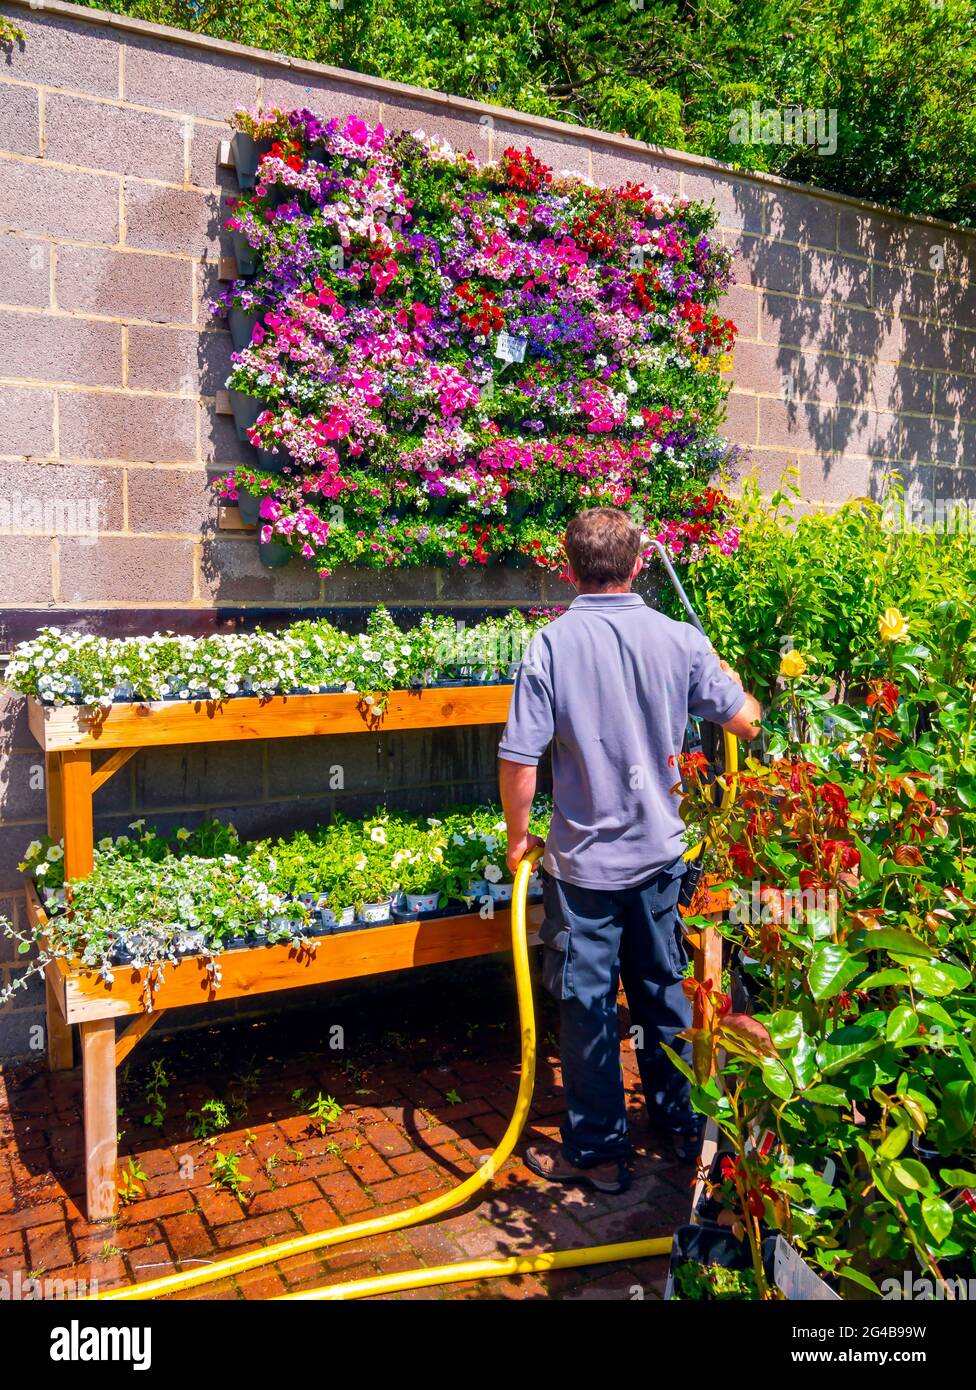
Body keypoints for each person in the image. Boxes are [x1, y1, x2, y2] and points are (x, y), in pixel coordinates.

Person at [498, 507, 761, 1194]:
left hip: (581, 868)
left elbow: (520, 758)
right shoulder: (679, 640)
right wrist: (727, 676)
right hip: (662, 859)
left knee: (587, 1003)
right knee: (663, 993)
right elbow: (748, 721)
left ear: (567, 565)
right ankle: (678, 1128)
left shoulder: (549, 646)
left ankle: (601, 1149)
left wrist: (519, 835)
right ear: (640, 563)